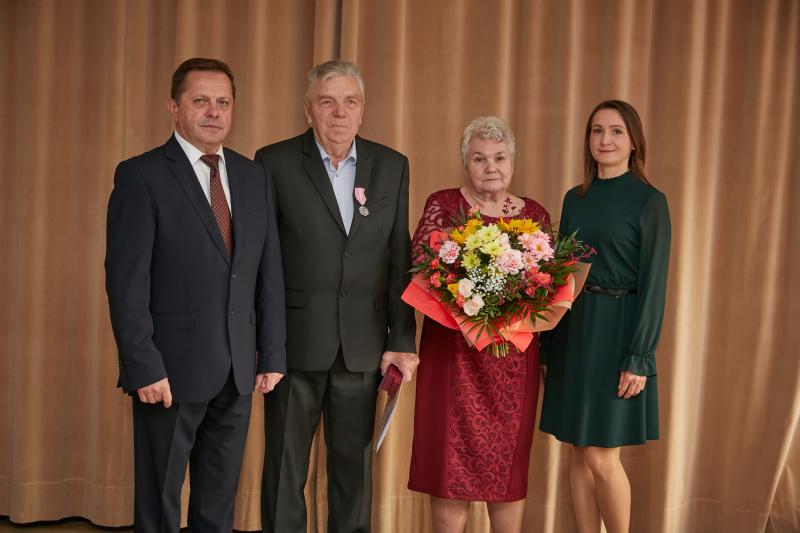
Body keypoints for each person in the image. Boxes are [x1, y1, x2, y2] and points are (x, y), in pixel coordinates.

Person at [105, 57, 286, 533]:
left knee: (217, 506)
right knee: (160, 506)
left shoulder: (253, 176)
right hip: (168, 373)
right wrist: (143, 365)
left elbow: (267, 271)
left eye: (223, 102)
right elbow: (126, 284)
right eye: (200, 100)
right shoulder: (141, 176)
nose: (213, 112)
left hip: (238, 371)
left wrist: (272, 353)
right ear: (173, 107)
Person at [254, 60, 418, 533]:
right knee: (285, 472)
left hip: (363, 347)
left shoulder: (392, 165)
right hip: (293, 346)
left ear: (363, 110)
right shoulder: (273, 162)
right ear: (308, 110)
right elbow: (262, 261)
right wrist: (263, 342)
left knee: (354, 476)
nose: (339, 112)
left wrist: (401, 338)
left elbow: (399, 258)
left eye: (349, 101)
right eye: (327, 101)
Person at [407, 116, 550, 533]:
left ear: (513, 162)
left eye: (499, 157)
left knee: (507, 473)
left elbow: (547, 286)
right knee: (448, 472)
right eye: (479, 158)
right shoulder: (443, 205)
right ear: (464, 163)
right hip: (451, 358)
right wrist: (467, 302)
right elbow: (419, 266)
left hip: (512, 363)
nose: (491, 166)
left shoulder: (535, 214)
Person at [539, 100, 671, 533]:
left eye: (616, 131)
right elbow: (559, 275)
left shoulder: (650, 201)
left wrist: (640, 357)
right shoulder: (574, 199)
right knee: (577, 451)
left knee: (601, 456)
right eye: (597, 130)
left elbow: (654, 284)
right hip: (574, 330)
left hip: (618, 334)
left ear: (633, 142)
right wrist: (547, 346)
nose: (605, 139)